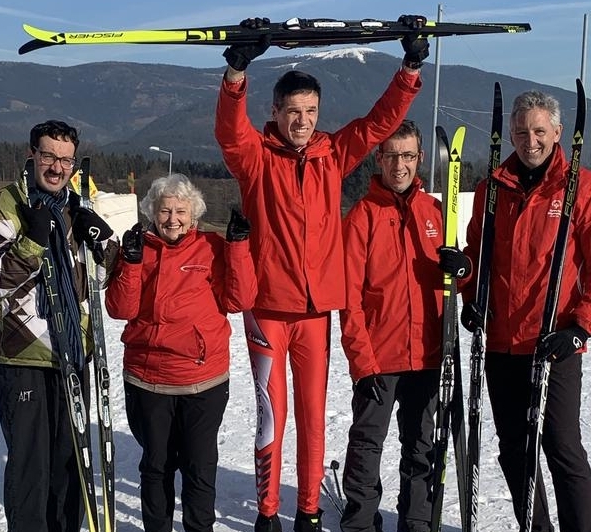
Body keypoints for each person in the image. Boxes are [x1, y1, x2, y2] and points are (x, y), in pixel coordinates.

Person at [214, 15, 429, 532]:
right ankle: (268, 514)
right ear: (277, 112)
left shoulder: (334, 153)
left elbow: (380, 124)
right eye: (293, 112)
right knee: (274, 415)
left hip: (315, 313)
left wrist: (410, 67)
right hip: (268, 310)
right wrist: (237, 74)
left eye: (310, 111)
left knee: (313, 417)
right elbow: (229, 130)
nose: (302, 120)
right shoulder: (256, 159)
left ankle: (308, 508)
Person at [0, 119, 119, 532]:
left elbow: (98, 278)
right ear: (32, 155)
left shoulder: (78, 207)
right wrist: (32, 242)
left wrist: (106, 245)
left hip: (74, 357)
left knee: (71, 467)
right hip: (26, 356)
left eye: (66, 159)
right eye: (49, 156)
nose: (57, 167)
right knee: (30, 472)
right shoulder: (6, 205)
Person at [461, 91, 591, 532]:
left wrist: (581, 327)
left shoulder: (580, 188)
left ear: (557, 133)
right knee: (515, 449)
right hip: (500, 344)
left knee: (561, 447)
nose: (529, 140)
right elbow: (475, 254)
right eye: (521, 131)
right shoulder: (491, 189)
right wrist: (469, 294)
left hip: (553, 343)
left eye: (539, 131)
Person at [338, 120, 471, 532]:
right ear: (380, 158)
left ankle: (416, 522)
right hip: (380, 357)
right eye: (392, 155)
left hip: (430, 355)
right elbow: (349, 301)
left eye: (408, 156)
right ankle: (359, 522)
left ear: (420, 158)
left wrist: (463, 269)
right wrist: (362, 363)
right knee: (366, 446)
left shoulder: (435, 213)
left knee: (422, 447)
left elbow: (454, 277)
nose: (400, 165)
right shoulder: (362, 217)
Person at [105, 174, 257, 532]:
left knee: (199, 466)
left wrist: (237, 246)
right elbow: (119, 309)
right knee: (156, 465)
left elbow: (240, 300)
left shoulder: (211, 247)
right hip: (149, 378)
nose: (173, 218)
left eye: (181, 211)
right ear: (152, 212)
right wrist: (128, 263)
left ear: (194, 214)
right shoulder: (138, 247)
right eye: (165, 210)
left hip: (202, 380)